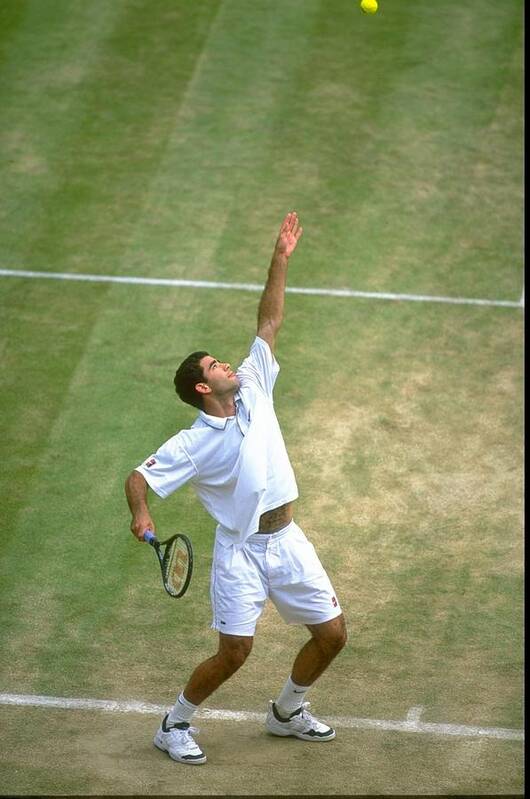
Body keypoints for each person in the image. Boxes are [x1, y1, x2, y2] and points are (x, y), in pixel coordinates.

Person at [125, 212, 347, 765]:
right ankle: (174, 724)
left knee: (333, 635)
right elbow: (139, 477)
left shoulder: (254, 385)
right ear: (204, 387)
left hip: (288, 538)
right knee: (234, 653)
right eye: (216, 364)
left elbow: (269, 322)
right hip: (240, 551)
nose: (228, 363)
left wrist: (281, 257)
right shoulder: (193, 442)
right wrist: (140, 513)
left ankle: (287, 712)